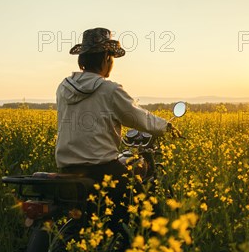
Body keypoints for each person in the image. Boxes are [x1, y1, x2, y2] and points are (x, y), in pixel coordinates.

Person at [55, 27, 172, 229]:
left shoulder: (63, 87)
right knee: (143, 207)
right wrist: (166, 127)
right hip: (102, 170)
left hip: (67, 169)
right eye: (111, 58)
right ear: (106, 59)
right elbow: (138, 117)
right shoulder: (109, 89)